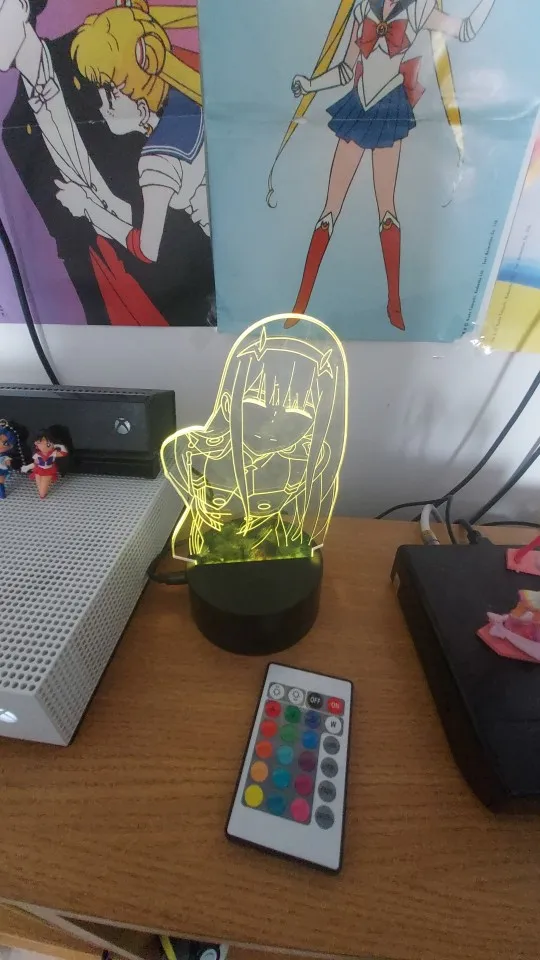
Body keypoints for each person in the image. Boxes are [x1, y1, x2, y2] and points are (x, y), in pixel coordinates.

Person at [277, 0, 497, 331]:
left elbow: (464, 31)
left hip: (389, 111)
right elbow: (346, 70)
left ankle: (394, 303)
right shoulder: (362, 6)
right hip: (357, 106)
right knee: (328, 211)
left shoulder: (418, 9)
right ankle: (300, 303)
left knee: (387, 211)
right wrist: (310, 85)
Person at [0, 0, 214, 325]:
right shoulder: (15, 127)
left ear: (21, 6)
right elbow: (62, 231)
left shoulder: (91, 50)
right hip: (107, 274)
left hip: (176, 241)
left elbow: (163, 106)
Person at [160, 315, 348, 562]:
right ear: (227, 403)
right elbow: (174, 449)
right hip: (212, 542)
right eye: (256, 403)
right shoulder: (202, 449)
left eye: (298, 413)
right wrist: (198, 499)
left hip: (269, 543)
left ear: (317, 423)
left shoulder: (303, 462)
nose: (273, 422)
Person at [59, 0, 208, 266]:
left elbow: (147, 250)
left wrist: (87, 208)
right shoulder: (191, 98)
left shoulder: (158, 160)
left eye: (110, 93)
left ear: (140, 104)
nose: (102, 107)